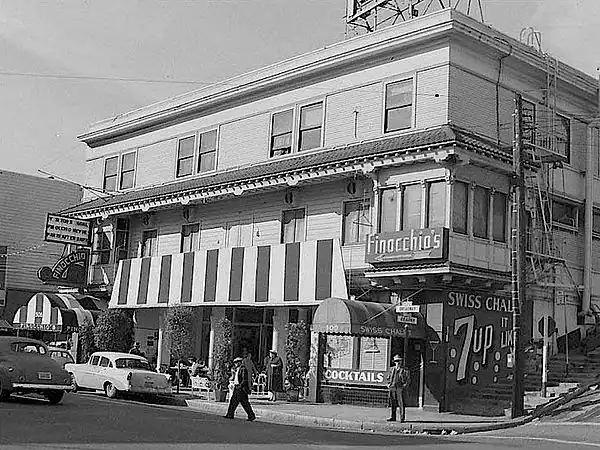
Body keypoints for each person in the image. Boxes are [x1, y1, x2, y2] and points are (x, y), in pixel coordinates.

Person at [224, 356, 256, 422]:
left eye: (236, 363)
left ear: (239, 363)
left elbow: (244, 380)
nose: (235, 364)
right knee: (237, 402)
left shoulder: (243, 369)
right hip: (237, 387)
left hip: (241, 388)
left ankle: (250, 415)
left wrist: (240, 386)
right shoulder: (237, 369)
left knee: (240, 402)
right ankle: (231, 414)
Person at [386, 354, 410, 422]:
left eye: (399, 361)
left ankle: (402, 418)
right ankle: (393, 417)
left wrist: (404, 386)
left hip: (400, 388)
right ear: (394, 362)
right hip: (392, 387)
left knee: (401, 403)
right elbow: (388, 377)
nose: (398, 362)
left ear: (401, 361)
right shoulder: (391, 369)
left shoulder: (405, 370)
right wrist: (388, 384)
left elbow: (408, 380)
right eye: (396, 361)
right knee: (393, 403)